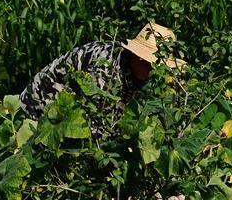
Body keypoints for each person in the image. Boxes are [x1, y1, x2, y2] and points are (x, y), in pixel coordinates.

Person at [18, 22, 184, 130]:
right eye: (154, 66)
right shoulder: (105, 69)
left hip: (68, 112)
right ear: (139, 58)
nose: (157, 73)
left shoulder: (135, 68)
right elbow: (99, 125)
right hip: (40, 106)